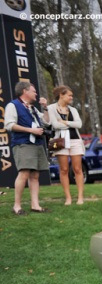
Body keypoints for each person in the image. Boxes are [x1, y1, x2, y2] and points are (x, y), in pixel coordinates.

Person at [6, 81, 49, 215]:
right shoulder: (13, 105)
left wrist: (45, 108)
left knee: (35, 175)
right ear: (25, 91)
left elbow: (46, 122)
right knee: (24, 173)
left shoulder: (33, 108)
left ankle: (35, 205)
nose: (36, 93)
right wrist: (30, 130)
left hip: (37, 144)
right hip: (22, 143)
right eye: (33, 91)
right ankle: (16, 206)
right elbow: (9, 125)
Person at [47, 85, 85, 204]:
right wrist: (69, 124)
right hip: (60, 141)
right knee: (63, 169)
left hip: (75, 140)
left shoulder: (73, 109)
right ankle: (68, 198)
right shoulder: (51, 108)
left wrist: (64, 122)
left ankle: (80, 197)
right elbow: (55, 125)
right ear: (61, 95)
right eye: (69, 95)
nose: (71, 97)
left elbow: (79, 124)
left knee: (77, 169)